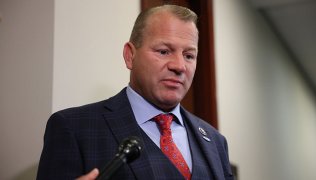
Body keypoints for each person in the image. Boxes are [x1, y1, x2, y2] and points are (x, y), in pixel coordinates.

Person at [37, 4, 234, 180]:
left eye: (189, 55)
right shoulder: (73, 128)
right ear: (130, 56)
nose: (179, 66)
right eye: (164, 51)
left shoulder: (216, 142)